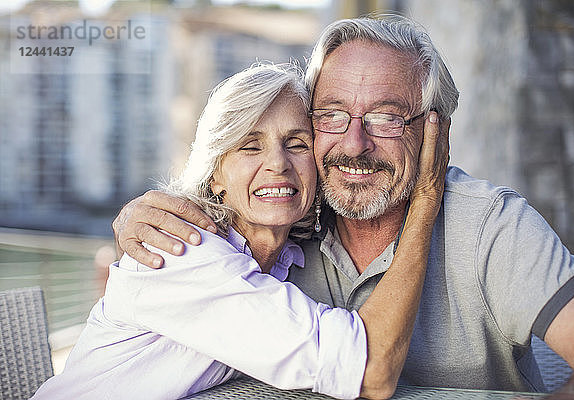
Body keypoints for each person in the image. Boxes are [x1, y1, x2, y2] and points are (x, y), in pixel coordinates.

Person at [113, 14, 574, 399]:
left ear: (436, 130)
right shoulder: (286, 225)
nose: (355, 143)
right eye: (332, 115)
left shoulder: (489, 225)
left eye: (386, 117)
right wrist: (138, 215)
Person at [32, 62, 449, 399]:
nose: (278, 164)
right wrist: (427, 197)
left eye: (298, 143)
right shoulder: (184, 253)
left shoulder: (289, 257)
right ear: (215, 174)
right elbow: (369, 370)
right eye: (250, 146)